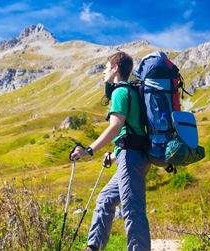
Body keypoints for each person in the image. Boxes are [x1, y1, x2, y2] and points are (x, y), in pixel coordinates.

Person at [69, 51, 151, 251]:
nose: (104, 72)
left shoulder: (120, 92)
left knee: (132, 208)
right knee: (105, 198)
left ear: (115, 68)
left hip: (131, 159)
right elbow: (132, 132)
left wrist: (88, 150)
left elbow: (115, 126)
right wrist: (113, 155)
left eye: (106, 68)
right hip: (130, 156)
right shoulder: (131, 92)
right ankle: (93, 247)